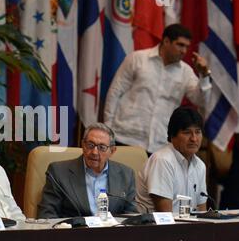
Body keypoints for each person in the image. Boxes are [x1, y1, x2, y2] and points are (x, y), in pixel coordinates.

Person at [104, 23, 212, 154]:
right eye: (180, 45)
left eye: (187, 47)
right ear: (166, 41)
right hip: (125, 137)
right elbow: (115, 93)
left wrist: (204, 75)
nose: (184, 51)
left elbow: (201, 101)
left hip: (159, 145)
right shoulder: (137, 59)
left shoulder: (186, 72)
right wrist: (107, 131)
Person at [37, 123, 137, 218]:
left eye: (102, 147)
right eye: (90, 145)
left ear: (112, 151)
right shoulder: (58, 172)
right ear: (83, 145)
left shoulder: (126, 175)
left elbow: (131, 217)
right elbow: (47, 215)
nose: (94, 152)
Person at [136, 106, 207, 213]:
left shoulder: (200, 165)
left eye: (198, 132)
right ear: (173, 135)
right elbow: (165, 216)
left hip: (185, 227)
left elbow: (202, 213)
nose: (194, 139)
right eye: (187, 132)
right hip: (154, 227)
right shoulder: (162, 160)